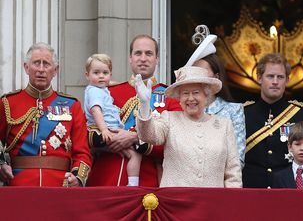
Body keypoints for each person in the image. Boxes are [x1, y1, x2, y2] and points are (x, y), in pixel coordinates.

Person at [87, 35, 182, 187]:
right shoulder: (109, 92)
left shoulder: (170, 97)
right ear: (130, 58)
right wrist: (108, 141)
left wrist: (135, 138)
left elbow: (176, 144)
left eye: (149, 54)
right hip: (105, 179)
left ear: (157, 59)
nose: (143, 58)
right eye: (138, 53)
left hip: (147, 183)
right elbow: (86, 132)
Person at [0, 42, 92, 187]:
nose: (41, 69)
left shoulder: (72, 105)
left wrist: (78, 177)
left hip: (60, 185)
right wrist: (2, 164)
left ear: (55, 70)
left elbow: (82, 152)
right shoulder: (8, 103)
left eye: (46, 64)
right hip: (19, 185)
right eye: (36, 63)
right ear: (26, 67)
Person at [135, 66, 242, 187]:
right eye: (185, 93)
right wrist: (144, 105)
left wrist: (231, 201)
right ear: (179, 98)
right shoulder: (169, 118)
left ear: (206, 95)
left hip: (212, 202)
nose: (190, 98)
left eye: (196, 92)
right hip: (176, 202)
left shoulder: (224, 125)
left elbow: (233, 172)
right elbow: (149, 135)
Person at [243, 53, 303, 188]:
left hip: (289, 191)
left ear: (287, 80)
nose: (275, 82)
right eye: (270, 76)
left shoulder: (302, 115)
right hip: (251, 191)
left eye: (280, 77)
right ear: (259, 78)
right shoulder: (243, 114)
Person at [186, 33, 246, 168]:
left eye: (203, 71)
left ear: (216, 76)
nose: (199, 77)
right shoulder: (181, 109)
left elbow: (238, 160)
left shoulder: (234, 111)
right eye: (194, 72)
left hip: (221, 184)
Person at [84, 53, 142, 186]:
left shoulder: (101, 88)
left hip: (108, 130)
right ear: (87, 75)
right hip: (105, 131)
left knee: (126, 151)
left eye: (105, 73)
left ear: (110, 74)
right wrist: (104, 130)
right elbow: (96, 110)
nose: (101, 76)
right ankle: (133, 184)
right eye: (96, 73)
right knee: (135, 154)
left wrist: (127, 84)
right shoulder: (95, 91)